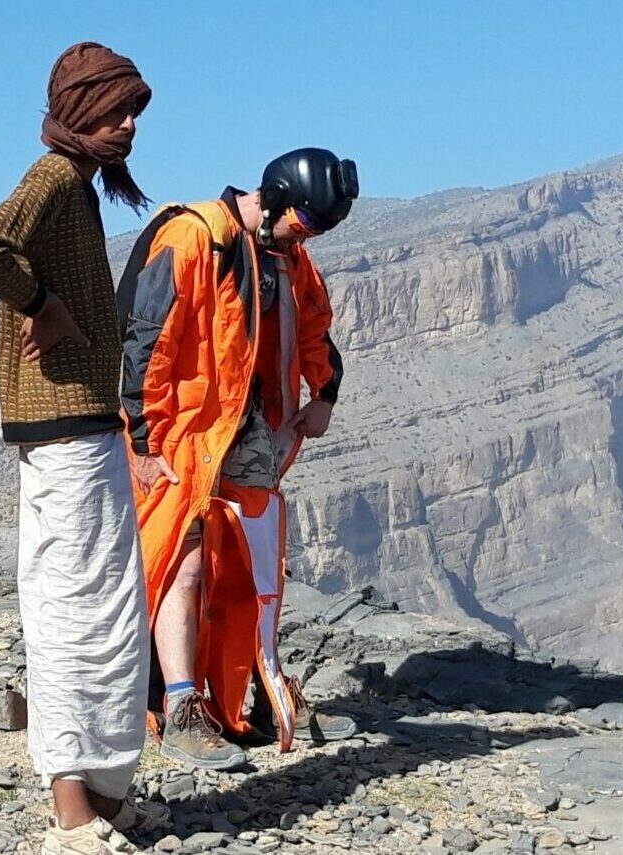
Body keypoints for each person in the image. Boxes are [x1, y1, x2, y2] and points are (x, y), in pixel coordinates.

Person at [0, 41, 165, 854]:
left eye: (134, 111)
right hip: (64, 434)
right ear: (78, 113)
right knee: (76, 612)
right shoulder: (50, 177)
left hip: (86, 425)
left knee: (110, 609)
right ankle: (72, 812)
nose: (129, 126)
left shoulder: (76, 184)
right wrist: (41, 303)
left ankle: (106, 793)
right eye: (115, 111)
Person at [118, 148, 360, 771]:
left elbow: (314, 325)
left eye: (316, 230)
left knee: (251, 569)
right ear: (276, 198)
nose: (306, 238)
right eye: (305, 224)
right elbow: (145, 344)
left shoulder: (285, 255)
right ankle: (179, 708)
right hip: (180, 435)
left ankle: (255, 698)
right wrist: (144, 444)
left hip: (245, 434)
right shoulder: (195, 237)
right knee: (182, 563)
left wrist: (324, 393)